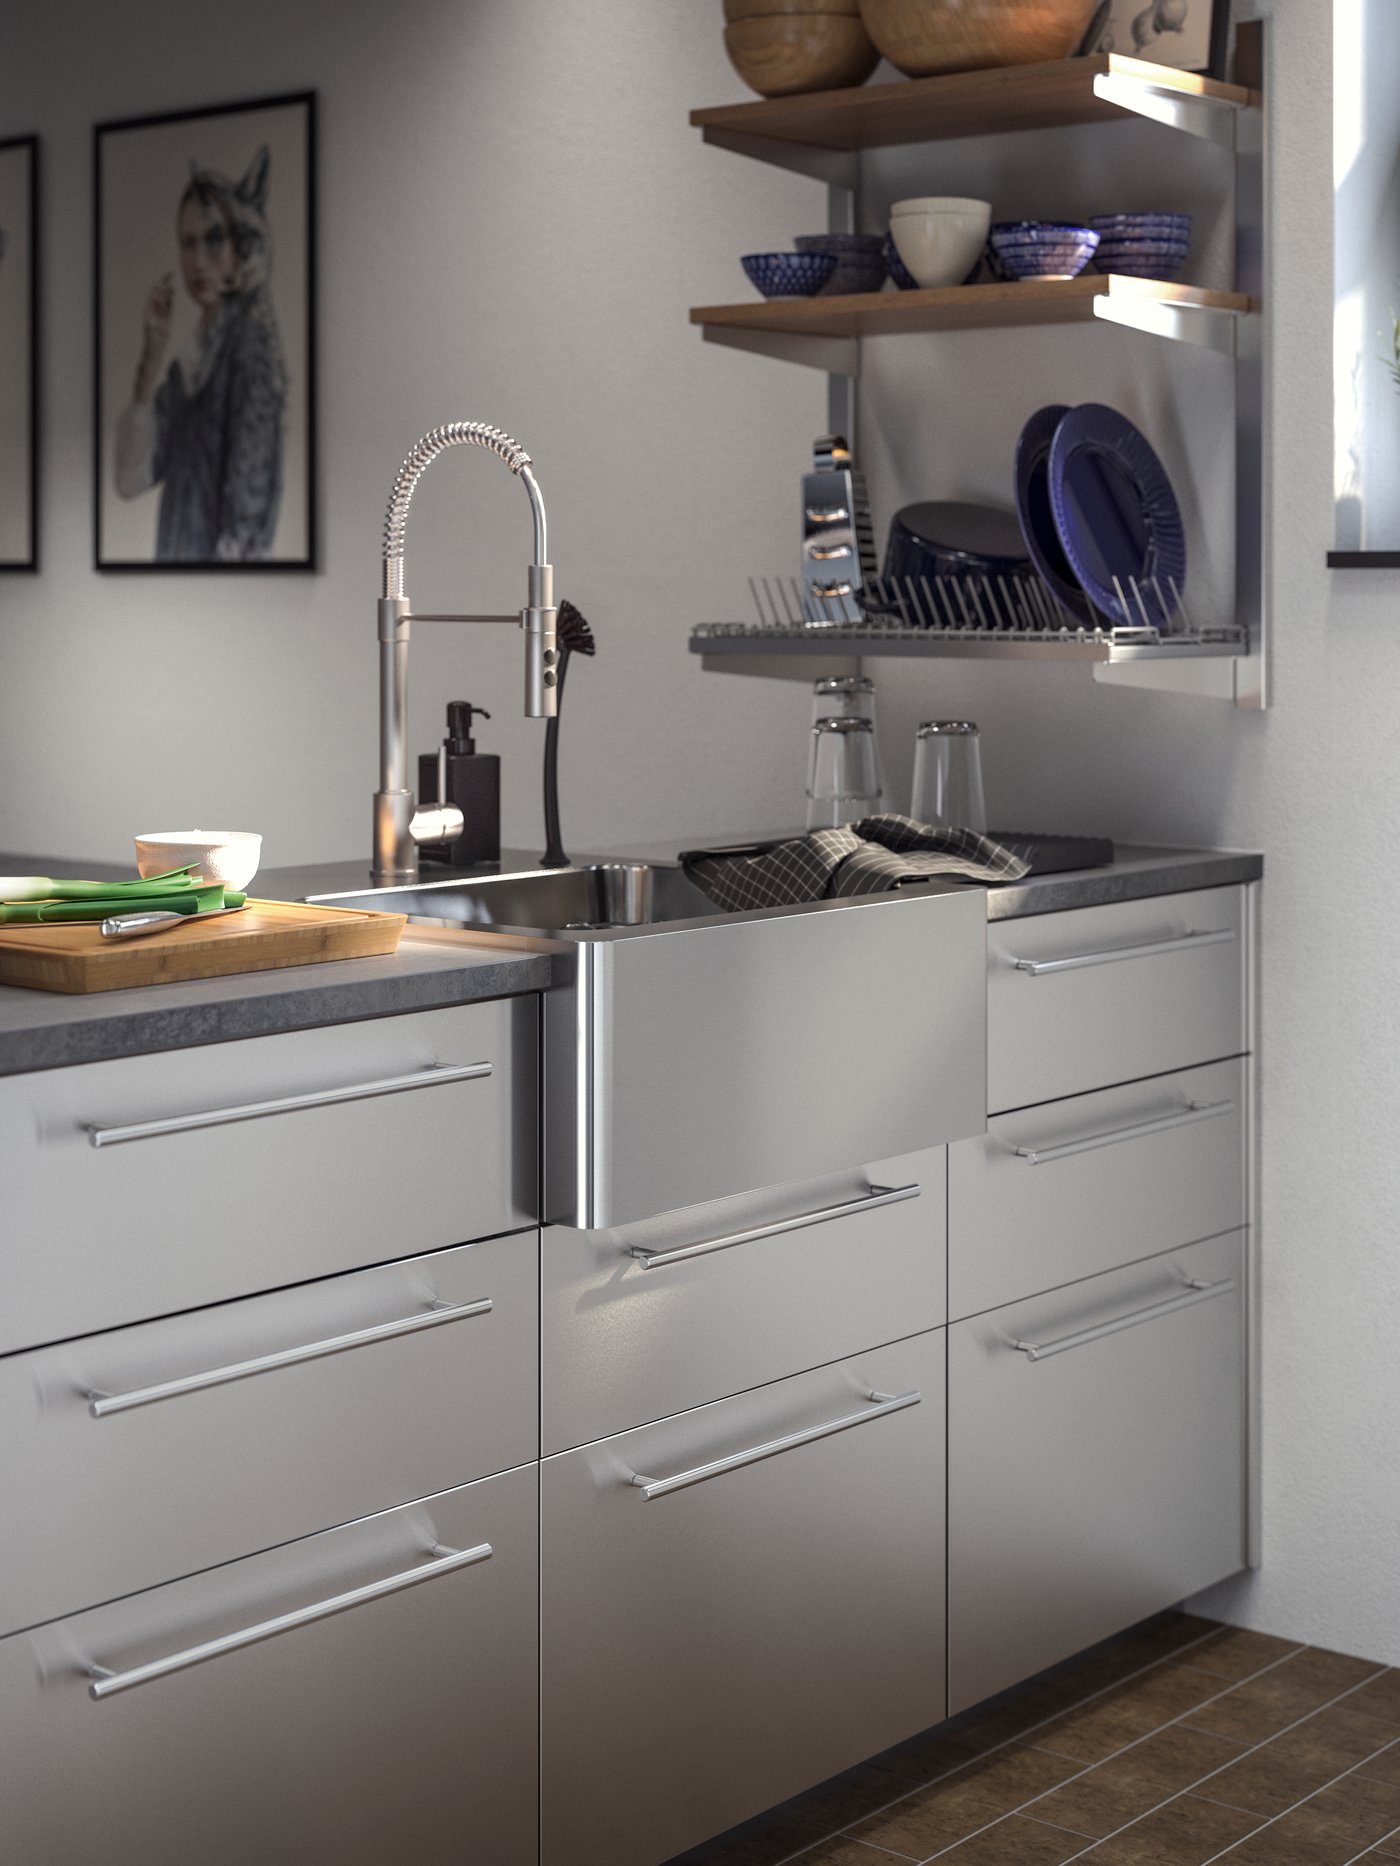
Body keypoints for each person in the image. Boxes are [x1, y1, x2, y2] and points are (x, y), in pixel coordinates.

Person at [115, 150, 287, 562]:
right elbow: (131, 481)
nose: (198, 260)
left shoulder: (250, 346)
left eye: (213, 239)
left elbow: (248, 520)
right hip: (177, 593)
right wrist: (151, 357)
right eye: (188, 243)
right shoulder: (188, 363)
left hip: (216, 599)